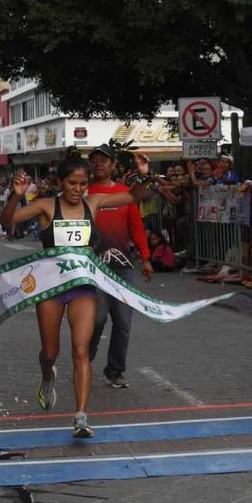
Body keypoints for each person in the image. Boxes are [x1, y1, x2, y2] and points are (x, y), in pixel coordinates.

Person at [0, 154, 148, 437]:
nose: (77, 189)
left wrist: (142, 174)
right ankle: (47, 375)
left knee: (81, 350)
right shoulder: (45, 206)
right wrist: (14, 197)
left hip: (82, 288)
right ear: (61, 182)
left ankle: (81, 417)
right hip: (51, 289)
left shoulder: (94, 203)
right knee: (50, 353)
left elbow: (133, 196)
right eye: (72, 183)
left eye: (83, 183)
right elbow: (9, 221)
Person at [87, 145, 152, 389]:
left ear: (113, 165)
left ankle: (114, 371)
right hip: (94, 268)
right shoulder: (83, 193)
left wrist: (146, 258)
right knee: (97, 318)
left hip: (123, 268)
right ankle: (85, 358)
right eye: (94, 160)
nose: (99, 164)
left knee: (123, 322)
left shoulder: (126, 193)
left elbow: (137, 229)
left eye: (104, 160)